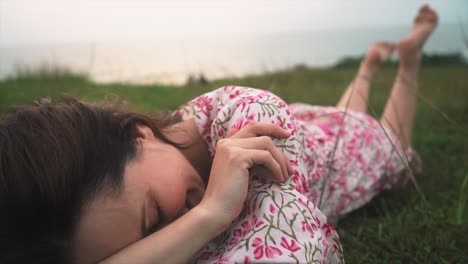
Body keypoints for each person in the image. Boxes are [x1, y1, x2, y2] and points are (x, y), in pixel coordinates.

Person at [0, 4, 437, 264]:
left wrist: (208, 216)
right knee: (342, 115)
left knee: (388, 135)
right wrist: (206, 216)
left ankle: (408, 59)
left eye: (153, 218)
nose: (175, 238)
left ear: (138, 137)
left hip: (349, 152)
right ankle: (367, 69)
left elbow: (292, 248)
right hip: (322, 129)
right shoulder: (164, 172)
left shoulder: (247, 113)